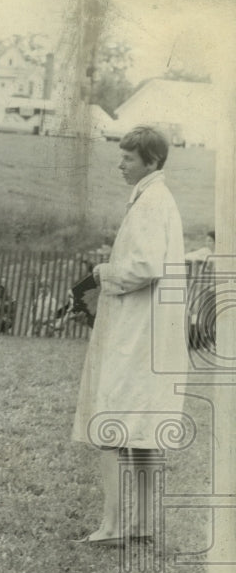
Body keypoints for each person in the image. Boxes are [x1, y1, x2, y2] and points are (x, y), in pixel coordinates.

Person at [72, 126, 187, 546]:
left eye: (128, 158)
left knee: (113, 421)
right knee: (142, 428)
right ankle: (142, 524)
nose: (120, 164)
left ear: (151, 161)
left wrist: (104, 272)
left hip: (139, 333)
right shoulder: (154, 198)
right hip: (148, 331)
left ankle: (114, 526)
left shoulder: (151, 201)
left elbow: (145, 266)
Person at [185, 230, 216, 350]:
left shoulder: (217, 254)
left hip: (214, 289)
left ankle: (210, 341)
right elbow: (188, 256)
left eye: (210, 241)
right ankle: (201, 342)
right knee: (201, 313)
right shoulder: (205, 252)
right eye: (206, 240)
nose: (208, 243)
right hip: (206, 289)